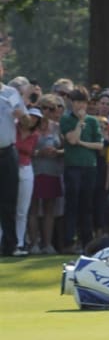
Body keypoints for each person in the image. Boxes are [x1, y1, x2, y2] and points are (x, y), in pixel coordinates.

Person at [60, 88, 103, 253]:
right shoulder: (66, 120)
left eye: (82, 102)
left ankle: (87, 242)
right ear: (72, 103)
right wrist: (79, 122)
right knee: (72, 205)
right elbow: (71, 140)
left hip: (89, 167)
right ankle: (68, 242)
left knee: (86, 206)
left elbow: (99, 145)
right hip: (72, 167)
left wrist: (83, 143)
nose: (79, 105)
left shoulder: (93, 121)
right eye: (76, 102)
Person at [28, 94, 63, 255]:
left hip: (52, 171)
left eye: (52, 108)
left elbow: (66, 148)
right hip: (34, 170)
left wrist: (57, 151)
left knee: (50, 209)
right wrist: (38, 152)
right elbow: (23, 149)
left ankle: (47, 244)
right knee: (33, 208)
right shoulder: (31, 127)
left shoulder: (57, 127)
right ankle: (34, 243)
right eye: (45, 108)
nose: (48, 111)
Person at [11, 107, 41, 255]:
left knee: (22, 210)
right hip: (8, 169)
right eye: (31, 116)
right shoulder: (12, 127)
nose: (33, 119)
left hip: (26, 169)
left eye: (36, 118)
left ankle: (19, 243)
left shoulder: (35, 135)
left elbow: (31, 152)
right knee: (6, 206)